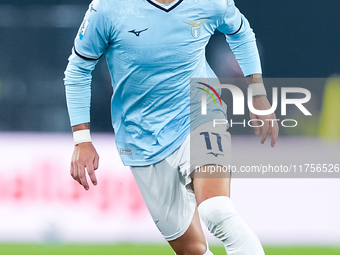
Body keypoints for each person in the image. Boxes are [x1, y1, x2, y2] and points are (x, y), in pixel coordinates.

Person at [64, 0, 279, 254]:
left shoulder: (209, 2)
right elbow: (78, 69)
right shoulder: (109, 8)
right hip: (140, 137)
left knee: (217, 211)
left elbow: (241, 32)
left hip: (201, 112)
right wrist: (82, 139)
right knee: (192, 250)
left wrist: (257, 91)